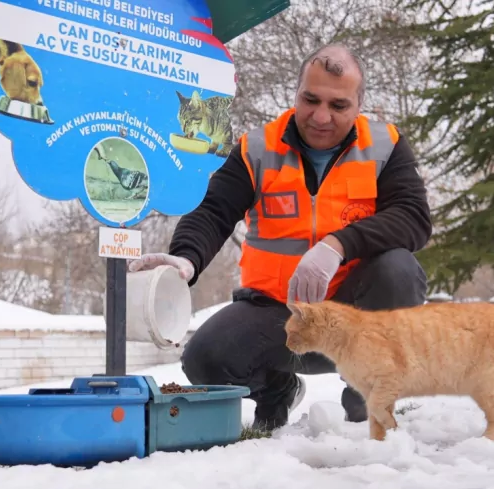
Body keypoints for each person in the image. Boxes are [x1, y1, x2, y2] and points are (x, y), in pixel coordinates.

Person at [128, 44, 432, 430]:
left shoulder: (385, 146)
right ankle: (276, 389)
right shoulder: (257, 148)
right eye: (311, 99)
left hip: (356, 317)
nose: (321, 117)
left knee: (398, 270)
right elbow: (213, 210)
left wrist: (338, 245)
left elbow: (413, 217)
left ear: (359, 105)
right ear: (296, 94)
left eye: (338, 106)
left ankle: (368, 396)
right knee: (204, 360)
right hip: (278, 314)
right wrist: (186, 257)